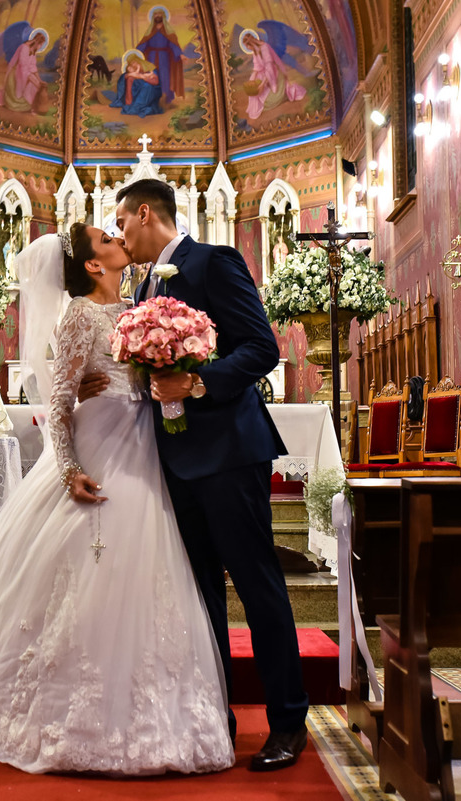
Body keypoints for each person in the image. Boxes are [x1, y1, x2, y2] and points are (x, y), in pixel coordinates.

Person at [0, 228, 233, 776]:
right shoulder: (79, 314)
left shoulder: (144, 304)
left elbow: (147, 380)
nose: (119, 235)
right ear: (94, 266)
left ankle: (151, 710)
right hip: (100, 451)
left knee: (149, 567)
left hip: (146, 447)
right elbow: (59, 398)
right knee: (88, 565)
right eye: (105, 236)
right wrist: (71, 469)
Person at [80, 178, 310, 771]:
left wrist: (200, 382)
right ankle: (218, 718)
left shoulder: (214, 261)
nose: (120, 233)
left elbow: (261, 348)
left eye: (122, 222)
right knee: (201, 595)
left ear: (146, 213)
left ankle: (288, 723)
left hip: (230, 453)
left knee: (257, 587)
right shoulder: (144, 283)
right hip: (175, 460)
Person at [241, 29, 305, 120]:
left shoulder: (264, 47)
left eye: (247, 46)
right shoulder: (255, 50)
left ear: (250, 44)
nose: (248, 48)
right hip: (264, 73)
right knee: (254, 83)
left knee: (268, 100)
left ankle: (283, 94)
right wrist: (251, 80)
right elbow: (256, 67)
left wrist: (263, 84)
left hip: (273, 74)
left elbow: (269, 69)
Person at [0, 30, 46, 112]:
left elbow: (33, 67)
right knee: (33, 84)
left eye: (41, 45)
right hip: (16, 74)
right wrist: (31, 78)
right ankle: (8, 101)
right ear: (37, 42)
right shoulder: (24, 48)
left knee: (36, 84)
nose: (40, 47)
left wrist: (39, 80)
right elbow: (23, 65)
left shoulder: (33, 53)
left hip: (26, 74)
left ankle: (31, 106)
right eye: (40, 44)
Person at [109, 51, 163, 118]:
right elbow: (125, 77)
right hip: (141, 89)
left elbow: (156, 82)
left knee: (147, 86)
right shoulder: (133, 70)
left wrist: (143, 77)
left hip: (153, 89)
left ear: (138, 60)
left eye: (134, 62)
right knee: (130, 79)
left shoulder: (149, 67)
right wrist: (132, 74)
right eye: (131, 64)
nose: (133, 65)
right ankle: (130, 103)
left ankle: (138, 106)